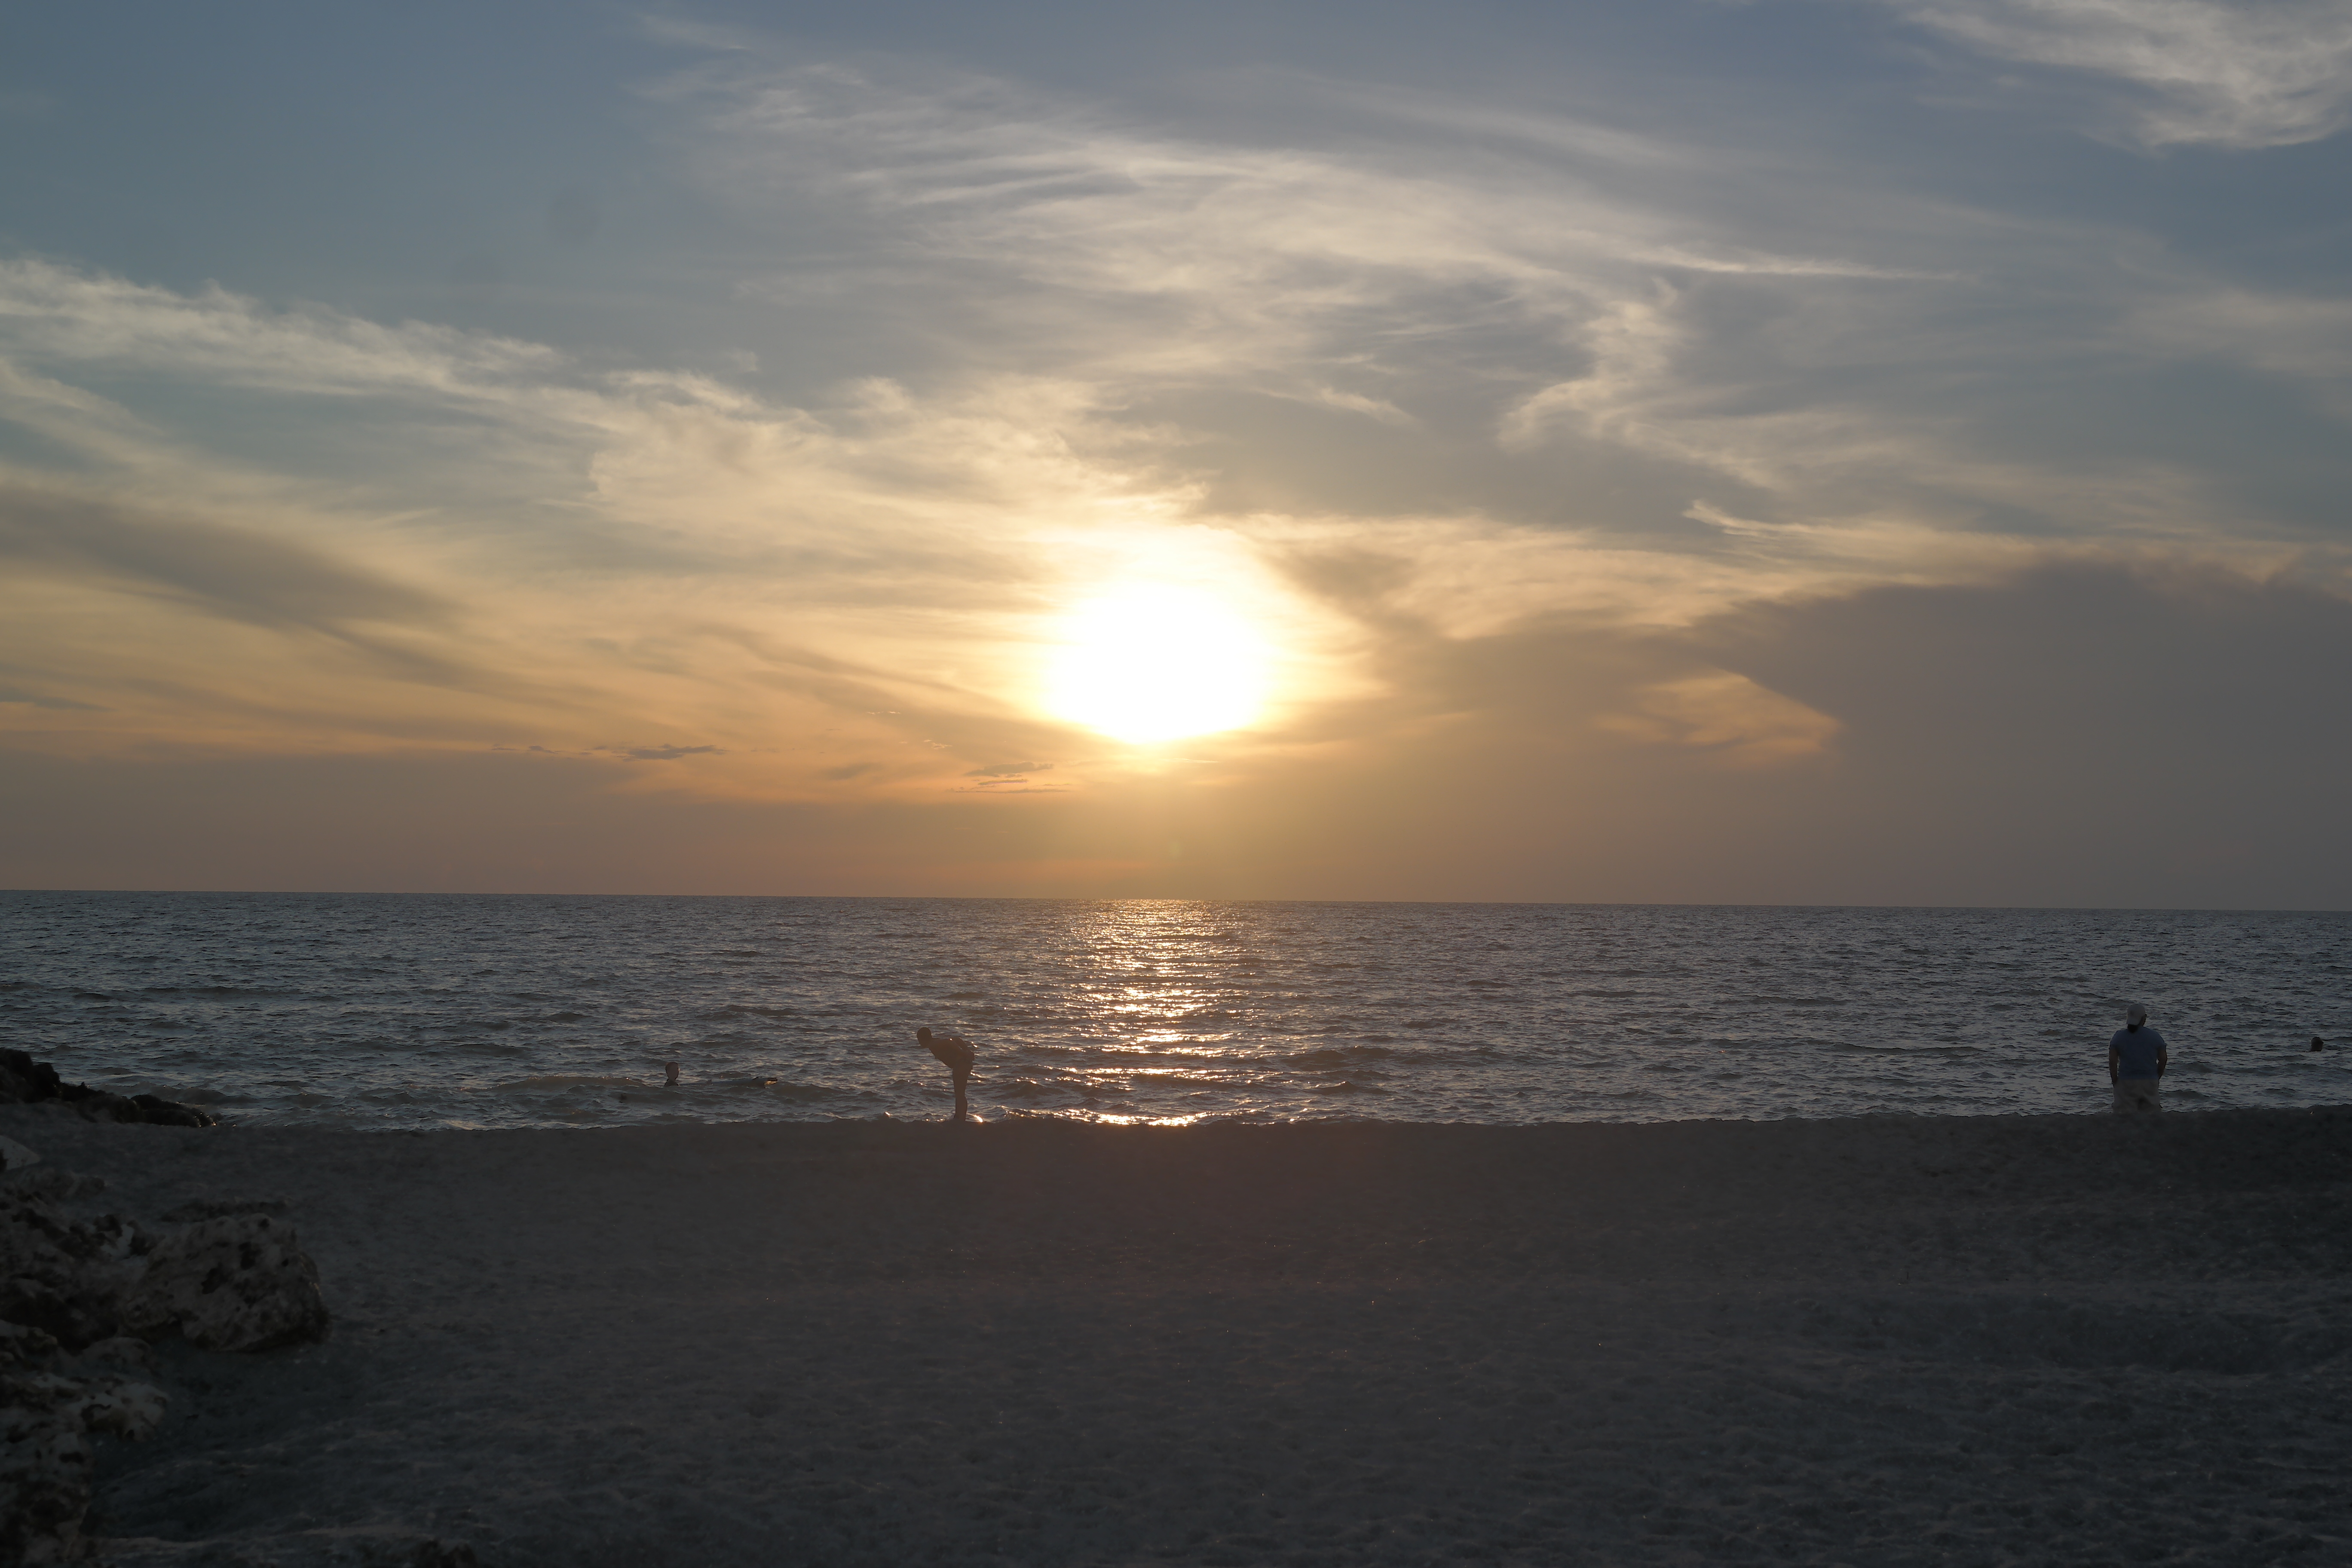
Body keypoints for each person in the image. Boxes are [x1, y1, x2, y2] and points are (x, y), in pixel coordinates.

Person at [2107, 1003, 2168, 1113]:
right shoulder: (2155, 1036)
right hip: (2150, 1081)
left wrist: (2115, 1081)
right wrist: (2156, 1076)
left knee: (2124, 1117)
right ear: (2144, 1019)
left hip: (2126, 1081)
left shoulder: (2119, 1037)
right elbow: (2163, 1059)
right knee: (2151, 1117)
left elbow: (2113, 1061)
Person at [916, 1026, 977, 1122]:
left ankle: (960, 1119)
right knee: (960, 1094)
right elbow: (957, 1039)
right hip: (964, 1064)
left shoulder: (933, 1044)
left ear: (922, 1039)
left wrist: (965, 1053)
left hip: (961, 1065)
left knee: (960, 1094)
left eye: (919, 1040)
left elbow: (949, 1042)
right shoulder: (935, 1042)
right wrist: (968, 1051)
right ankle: (960, 1117)